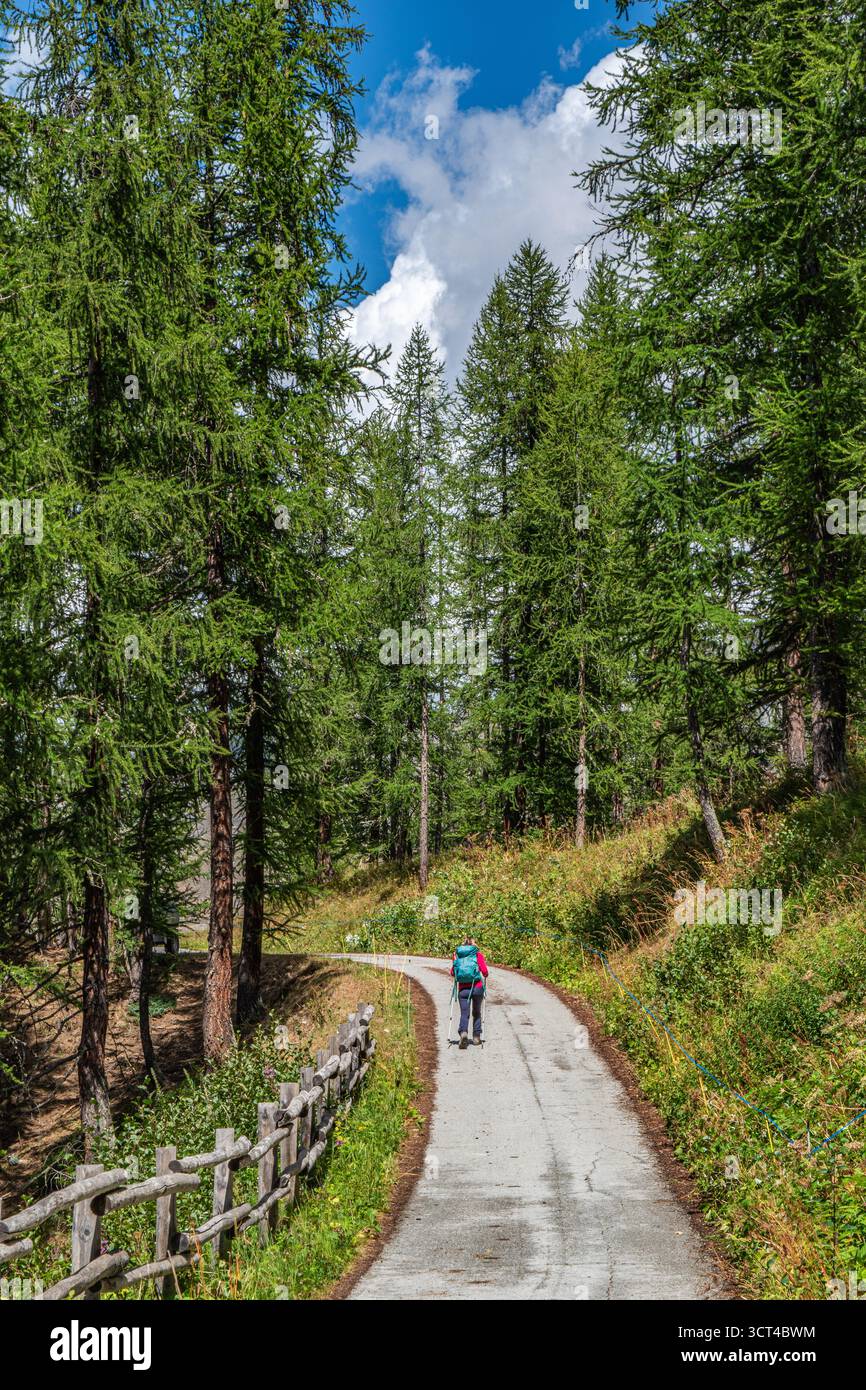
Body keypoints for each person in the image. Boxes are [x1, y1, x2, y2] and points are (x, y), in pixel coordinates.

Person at [450, 936, 488, 1048]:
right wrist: (484, 974)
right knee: (476, 1013)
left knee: (464, 1013)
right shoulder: (477, 955)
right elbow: (485, 971)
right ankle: (476, 1037)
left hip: (463, 990)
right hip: (477, 987)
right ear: (473, 945)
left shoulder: (458, 956)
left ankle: (463, 1033)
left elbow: (453, 972)